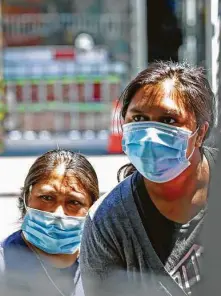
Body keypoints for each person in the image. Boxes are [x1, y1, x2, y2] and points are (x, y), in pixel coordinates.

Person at [80, 61, 218, 296]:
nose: (150, 134)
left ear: (200, 133)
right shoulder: (108, 221)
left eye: (168, 120)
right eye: (139, 119)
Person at [0, 149, 99, 296]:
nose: (58, 213)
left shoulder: (102, 266)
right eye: (47, 198)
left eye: (73, 202)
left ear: (92, 208)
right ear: (27, 198)